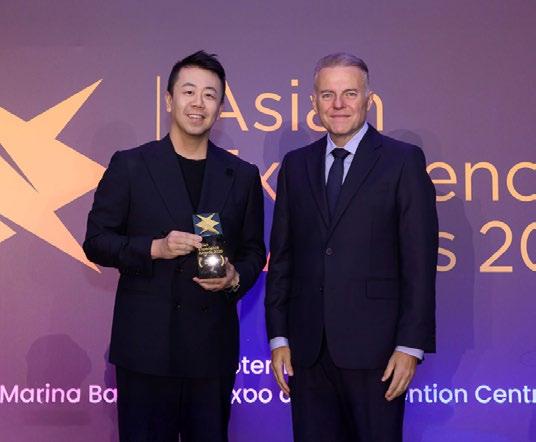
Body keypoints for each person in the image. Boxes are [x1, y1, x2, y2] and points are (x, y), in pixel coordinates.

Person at [83, 50, 266, 442]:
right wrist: (155, 249)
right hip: (146, 350)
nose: (198, 103)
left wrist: (235, 278)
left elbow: (254, 251)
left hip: (211, 352)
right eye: (188, 92)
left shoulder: (242, 175)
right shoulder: (131, 165)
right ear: (169, 100)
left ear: (220, 108)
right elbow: (96, 242)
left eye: (209, 95)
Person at [265, 53, 438, 442]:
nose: (338, 104)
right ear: (314, 102)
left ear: (368, 99)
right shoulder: (295, 165)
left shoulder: (402, 161)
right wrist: (279, 337)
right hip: (307, 353)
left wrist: (410, 345)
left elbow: (419, 261)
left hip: (378, 354)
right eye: (328, 95)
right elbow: (283, 257)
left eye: (350, 93)